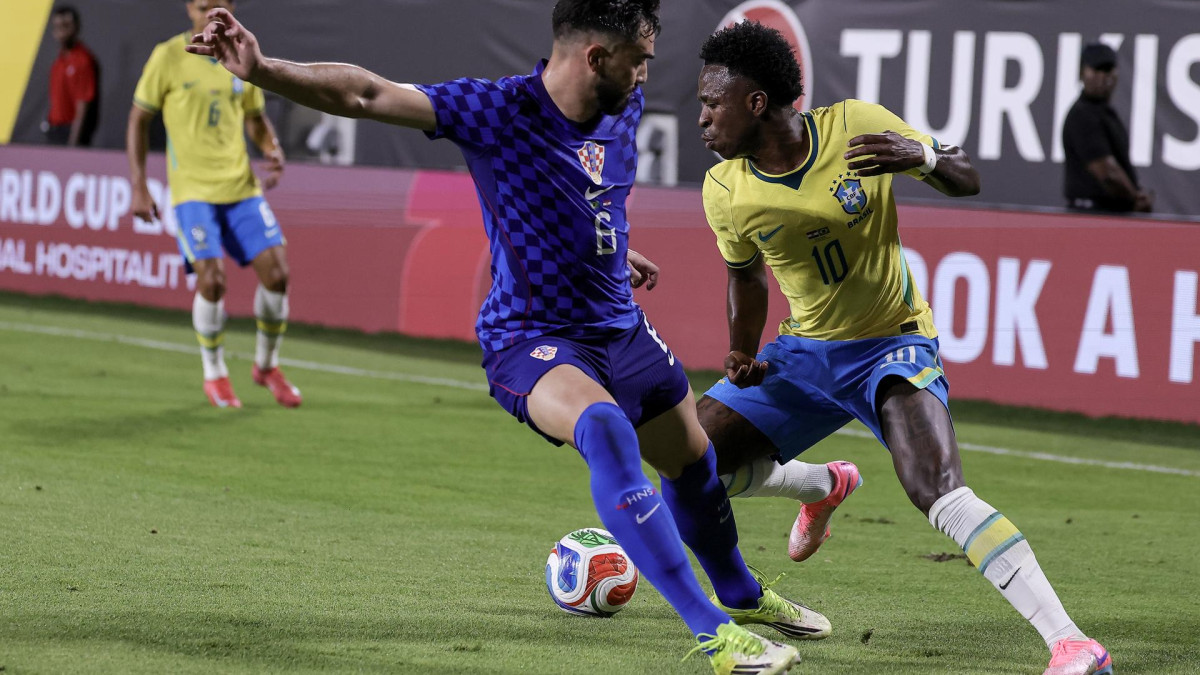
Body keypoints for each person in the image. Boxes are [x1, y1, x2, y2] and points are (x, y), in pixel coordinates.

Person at [188, 2, 829, 672]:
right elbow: (365, 91)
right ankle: (714, 635)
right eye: (638, 60)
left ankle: (742, 594)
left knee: (693, 464)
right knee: (604, 428)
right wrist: (261, 69)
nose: (646, 75)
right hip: (532, 336)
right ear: (595, 57)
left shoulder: (624, 109)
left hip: (619, 326)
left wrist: (611, 253)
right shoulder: (496, 110)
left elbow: (592, 191)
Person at [693, 21, 1112, 675]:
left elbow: (965, 175)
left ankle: (1072, 642)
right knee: (689, 459)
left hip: (891, 344)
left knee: (935, 489)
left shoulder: (854, 125)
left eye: (710, 104)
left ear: (754, 102)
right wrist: (741, 350)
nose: (700, 120)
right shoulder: (724, 188)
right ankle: (820, 484)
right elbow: (744, 274)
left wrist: (920, 157)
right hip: (802, 354)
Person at [127, 0, 300, 410]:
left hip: (240, 187)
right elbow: (139, 119)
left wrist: (271, 147)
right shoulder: (167, 56)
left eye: (217, 5)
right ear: (189, 8)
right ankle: (215, 374)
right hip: (192, 192)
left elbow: (254, 118)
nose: (209, 12)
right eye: (202, 5)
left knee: (277, 275)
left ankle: (266, 366)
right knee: (212, 281)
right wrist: (139, 185)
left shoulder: (242, 55)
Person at [1063, 43, 1152, 213]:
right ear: (1081, 73)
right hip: (1090, 216)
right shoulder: (1082, 115)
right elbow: (1107, 173)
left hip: (1106, 214)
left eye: (1108, 70)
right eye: (1096, 70)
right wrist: (1134, 198)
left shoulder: (1106, 113)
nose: (1103, 77)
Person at [45, 5, 99, 147]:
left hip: (70, 133)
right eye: (57, 27)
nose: (61, 31)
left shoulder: (83, 60)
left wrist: (73, 143)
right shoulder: (58, 61)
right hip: (54, 130)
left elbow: (83, 104)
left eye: (66, 26)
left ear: (76, 27)